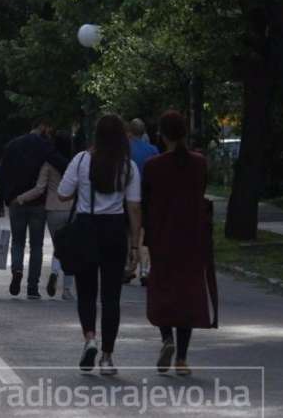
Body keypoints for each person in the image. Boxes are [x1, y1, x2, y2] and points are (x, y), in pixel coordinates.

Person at [57, 114, 142, 376]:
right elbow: (134, 207)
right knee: (111, 297)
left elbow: (62, 193)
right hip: (114, 231)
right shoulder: (128, 167)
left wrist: (82, 188)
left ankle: (90, 338)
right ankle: (107, 357)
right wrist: (135, 246)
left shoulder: (81, 160)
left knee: (86, 292)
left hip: (86, 228)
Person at [143, 111, 218, 377]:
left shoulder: (153, 166)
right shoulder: (199, 164)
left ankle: (167, 339)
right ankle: (182, 359)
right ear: (185, 133)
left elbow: (147, 202)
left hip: (163, 237)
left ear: (161, 135)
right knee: (187, 294)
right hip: (192, 237)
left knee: (163, 290)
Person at [0, 119, 69, 299]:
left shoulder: (12, 145)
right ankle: (32, 288)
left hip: (15, 201)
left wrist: (0, 200)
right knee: (36, 246)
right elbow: (62, 165)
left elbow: (2, 173)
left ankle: (17, 270)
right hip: (38, 204)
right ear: (42, 126)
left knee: (17, 242)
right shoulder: (45, 146)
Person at [12, 131, 75, 300]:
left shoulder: (48, 164)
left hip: (53, 209)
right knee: (70, 249)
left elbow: (39, 189)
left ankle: (55, 272)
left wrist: (20, 198)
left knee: (58, 246)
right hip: (72, 210)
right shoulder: (74, 163)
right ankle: (66, 290)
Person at [126, 118, 160, 286]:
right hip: (148, 196)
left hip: (128, 196)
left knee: (130, 231)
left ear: (130, 131)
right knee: (145, 233)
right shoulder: (153, 150)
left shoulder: (125, 149)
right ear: (144, 131)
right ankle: (145, 270)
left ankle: (129, 267)